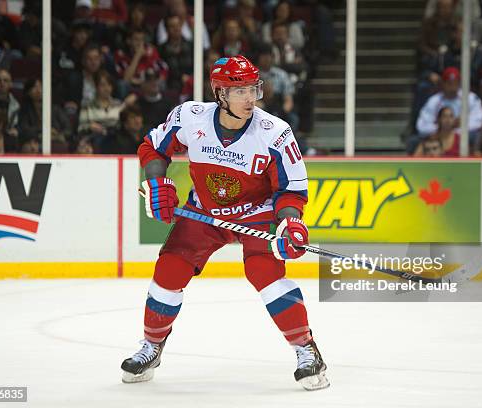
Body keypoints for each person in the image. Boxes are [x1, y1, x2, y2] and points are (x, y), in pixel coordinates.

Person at [121, 55, 329, 391]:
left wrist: (290, 223)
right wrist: (157, 183)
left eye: (253, 89)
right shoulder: (190, 117)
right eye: (241, 90)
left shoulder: (274, 133)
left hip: (255, 214)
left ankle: (307, 350)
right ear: (220, 93)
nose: (251, 97)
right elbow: (153, 147)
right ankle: (151, 346)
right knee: (169, 269)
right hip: (205, 212)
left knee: (265, 274)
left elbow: (290, 190)